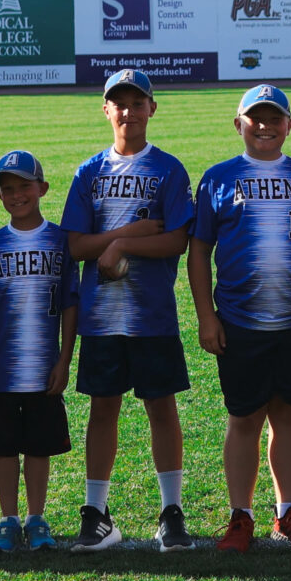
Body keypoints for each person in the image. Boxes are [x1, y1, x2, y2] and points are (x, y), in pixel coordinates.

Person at [190, 85, 291, 552]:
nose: (265, 126)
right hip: (240, 318)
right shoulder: (218, 178)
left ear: (290, 126)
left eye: (275, 119)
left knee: (289, 413)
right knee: (244, 417)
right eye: (255, 118)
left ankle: (288, 511)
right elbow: (199, 251)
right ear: (238, 124)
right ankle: (241, 516)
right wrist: (206, 316)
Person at [58, 69, 197, 551]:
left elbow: (177, 240)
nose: (129, 111)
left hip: (151, 313)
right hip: (100, 316)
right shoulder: (89, 172)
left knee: (162, 407)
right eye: (120, 103)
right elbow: (76, 246)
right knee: (103, 409)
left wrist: (122, 247)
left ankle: (171, 511)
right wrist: (125, 237)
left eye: (138, 103)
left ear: (152, 109)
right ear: (106, 110)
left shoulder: (168, 169)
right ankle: (96, 513)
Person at [0, 150, 76, 553]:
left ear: (42, 189)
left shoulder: (61, 241)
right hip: (0, 368)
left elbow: (70, 305)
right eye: (8, 189)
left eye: (24, 187)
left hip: (44, 367)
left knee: (38, 446)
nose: (16, 195)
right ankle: (8, 518)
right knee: (3, 447)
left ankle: (36, 517)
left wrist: (65, 360)